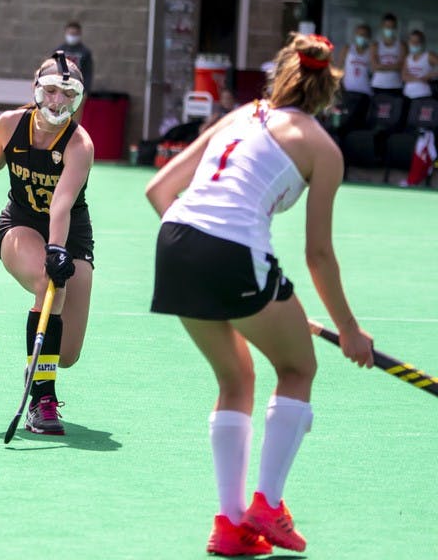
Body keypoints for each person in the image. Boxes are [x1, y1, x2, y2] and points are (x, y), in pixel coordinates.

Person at [144, 33, 375, 556]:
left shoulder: (243, 114)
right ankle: (267, 505)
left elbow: (158, 190)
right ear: (327, 93)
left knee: (237, 377)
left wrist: (204, 257)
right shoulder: (323, 147)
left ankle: (230, 526)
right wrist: (352, 331)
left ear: (281, 75)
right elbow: (319, 255)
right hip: (233, 254)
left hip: (174, 243)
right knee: (298, 369)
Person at [0, 52, 94, 437]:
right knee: (49, 282)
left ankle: (40, 364)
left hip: (71, 232)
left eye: (67, 94)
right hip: (20, 224)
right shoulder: (10, 123)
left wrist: (59, 247)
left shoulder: (79, 144)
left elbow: (62, 202)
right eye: (52, 91)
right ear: (36, 90)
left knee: (67, 353)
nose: (58, 101)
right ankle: (42, 399)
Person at [55, 21, 94, 94]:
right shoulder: (59, 50)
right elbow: (53, 69)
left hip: (77, 88)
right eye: (70, 34)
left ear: (80, 34)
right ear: (66, 33)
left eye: (75, 34)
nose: (72, 36)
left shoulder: (85, 52)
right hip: (60, 87)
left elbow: (88, 72)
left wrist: (86, 89)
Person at [370, 13, 404, 97]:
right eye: (387, 27)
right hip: (378, 86)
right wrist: (394, 67)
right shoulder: (375, 45)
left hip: (395, 86)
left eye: (392, 27)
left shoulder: (402, 45)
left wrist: (382, 67)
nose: (390, 29)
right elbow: (374, 67)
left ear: (396, 28)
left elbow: (402, 66)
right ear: (382, 27)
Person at [402, 29, 437, 100]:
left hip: (423, 94)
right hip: (407, 94)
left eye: (417, 42)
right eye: (412, 42)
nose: (414, 44)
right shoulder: (408, 58)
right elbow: (404, 77)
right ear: (409, 42)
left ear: (422, 43)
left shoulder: (429, 55)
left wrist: (430, 75)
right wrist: (419, 79)